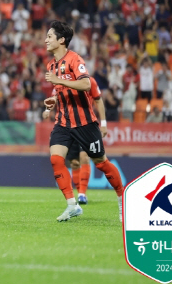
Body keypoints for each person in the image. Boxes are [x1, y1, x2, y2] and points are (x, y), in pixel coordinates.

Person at [44, 21, 124, 222]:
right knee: (56, 159)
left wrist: (59, 81)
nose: (46, 40)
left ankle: (123, 198)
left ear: (61, 40)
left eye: (50, 36)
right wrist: (53, 101)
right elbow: (61, 90)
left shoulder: (74, 59)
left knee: (101, 163)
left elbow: (86, 83)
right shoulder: (51, 65)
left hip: (85, 123)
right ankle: (72, 205)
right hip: (63, 121)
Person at [43, 75, 107, 205]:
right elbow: (54, 97)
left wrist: (104, 123)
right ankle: (79, 193)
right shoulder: (60, 81)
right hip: (67, 127)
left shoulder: (87, 81)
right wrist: (47, 110)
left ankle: (82, 194)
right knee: (74, 163)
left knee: (85, 157)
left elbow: (98, 100)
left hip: (85, 125)